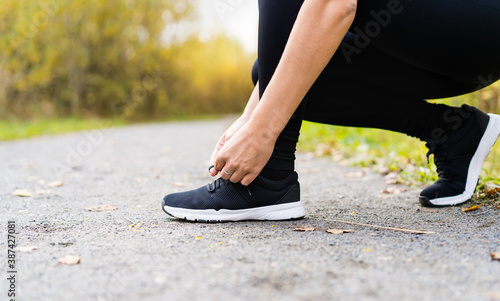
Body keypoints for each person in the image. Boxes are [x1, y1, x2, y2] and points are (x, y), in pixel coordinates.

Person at [162, 0, 500, 222]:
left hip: (478, 23)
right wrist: (250, 121)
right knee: (274, 76)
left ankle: (265, 181)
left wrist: (264, 132)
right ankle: (455, 133)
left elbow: (334, 4)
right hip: (442, 44)